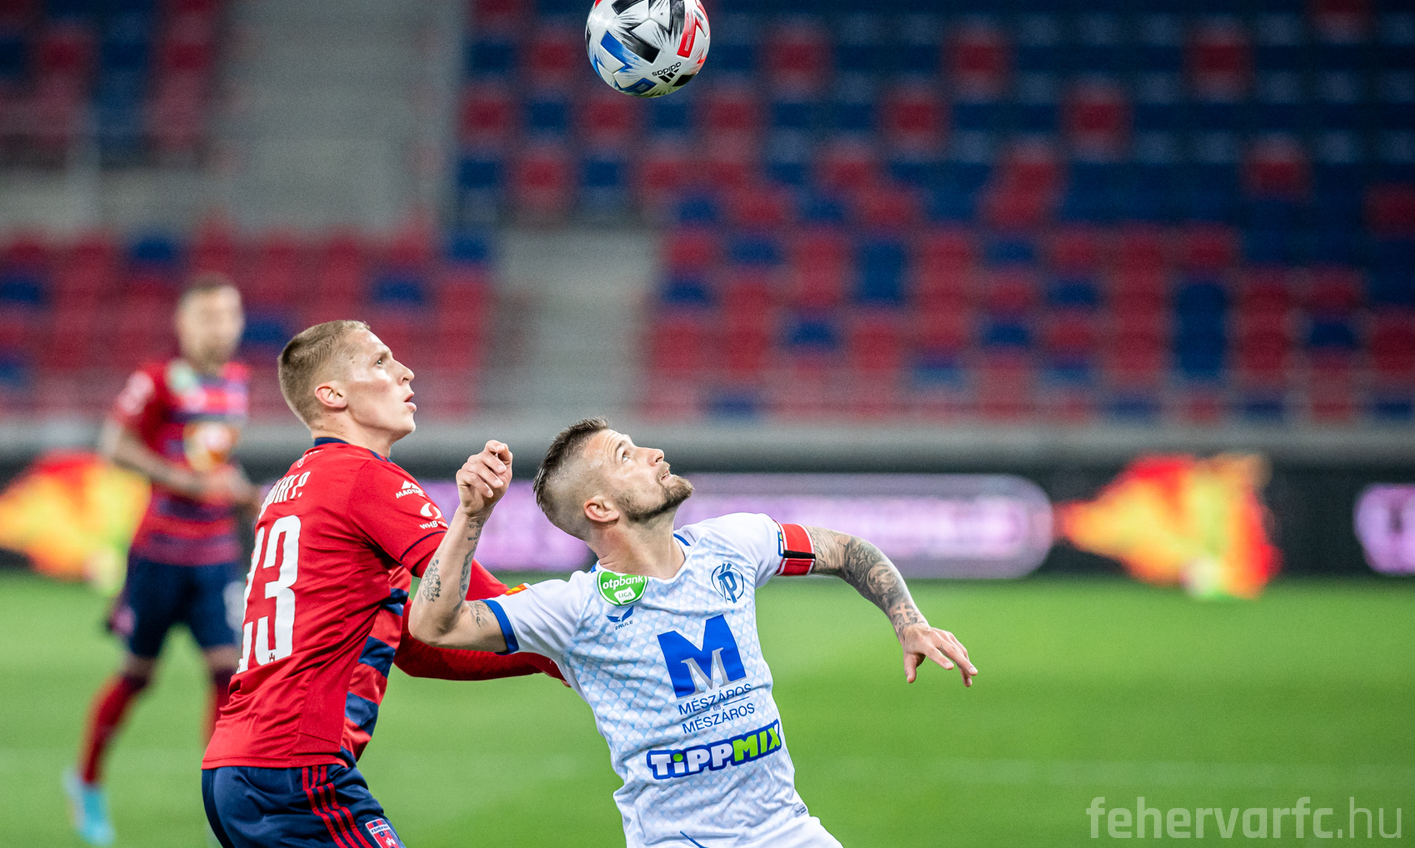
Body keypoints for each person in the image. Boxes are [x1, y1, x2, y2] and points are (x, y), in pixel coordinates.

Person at [409, 417, 978, 848]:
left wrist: (909, 622)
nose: (655, 454)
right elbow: (434, 624)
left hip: (787, 829)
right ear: (600, 508)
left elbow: (847, 550)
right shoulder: (573, 608)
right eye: (627, 455)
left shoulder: (735, 544)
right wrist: (472, 516)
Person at [202, 320, 558, 848]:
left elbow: (416, 644)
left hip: (237, 766)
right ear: (332, 395)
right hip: (297, 770)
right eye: (380, 362)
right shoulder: (363, 477)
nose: (405, 372)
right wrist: (577, 633)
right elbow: (479, 597)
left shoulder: (292, 487)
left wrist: (544, 656)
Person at [66, 274, 261, 846]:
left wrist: (241, 493)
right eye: (207, 316)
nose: (219, 327)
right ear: (183, 323)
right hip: (159, 554)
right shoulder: (155, 380)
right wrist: (184, 481)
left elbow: (214, 460)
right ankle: (86, 781)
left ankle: (220, 802)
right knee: (137, 676)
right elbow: (114, 446)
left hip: (216, 556)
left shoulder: (239, 381)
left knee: (227, 675)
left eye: (229, 315)